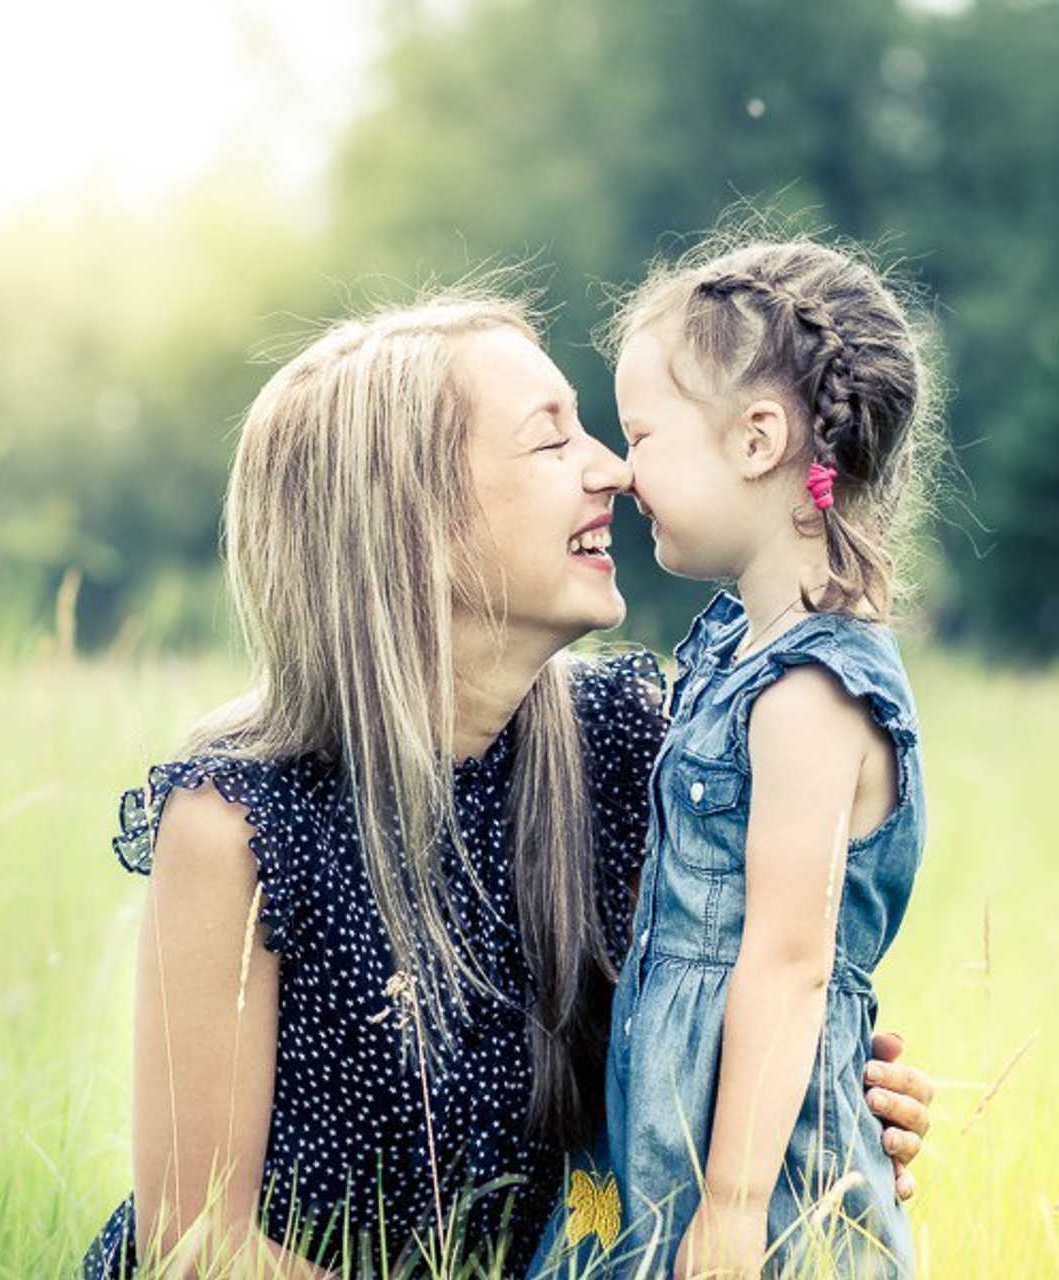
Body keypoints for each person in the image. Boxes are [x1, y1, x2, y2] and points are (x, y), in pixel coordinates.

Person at [81, 290, 932, 1279]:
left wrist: (821, 1119)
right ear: (417, 519)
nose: (612, 468)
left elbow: (741, 1004)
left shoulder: (629, 745)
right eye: (550, 441)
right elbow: (196, 1243)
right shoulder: (234, 822)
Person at [533, 238, 937, 1278]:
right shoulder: (731, 644)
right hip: (673, 1106)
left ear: (756, 438)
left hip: (762, 1162)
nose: (620, 470)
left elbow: (789, 959)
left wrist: (732, 1205)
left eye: (642, 433)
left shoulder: (809, 689)